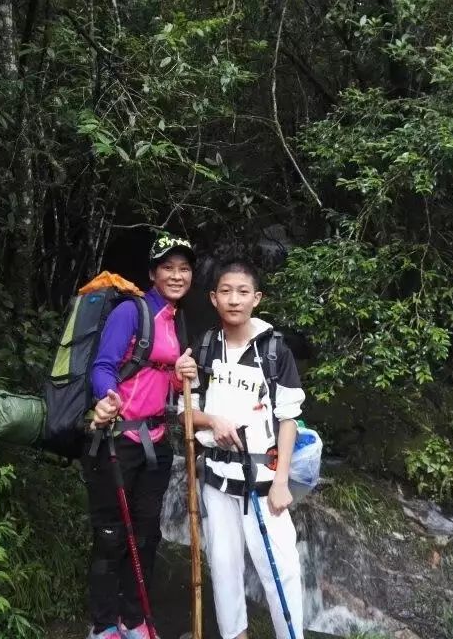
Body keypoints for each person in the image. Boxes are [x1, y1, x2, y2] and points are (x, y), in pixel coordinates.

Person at [180, 259, 305, 639]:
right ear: (213, 298)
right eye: (226, 291)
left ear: (256, 298)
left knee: (280, 568)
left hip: (263, 480)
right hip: (216, 478)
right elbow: (186, 412)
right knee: (223, 567)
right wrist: (212, 421)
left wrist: (281, 481)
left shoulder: (274, 350)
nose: (234, 299)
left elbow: (288, 419)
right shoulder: (203, 348)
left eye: (243, 292)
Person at [83, 234, 199, 639]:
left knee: (147, 535)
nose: (177, 275)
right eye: (168, 267)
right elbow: (104, 366)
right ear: (153, 273)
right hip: (116, 440)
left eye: (184, 268)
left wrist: (181, 376)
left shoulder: (176, 319)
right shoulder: (131, 311)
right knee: (111, 535)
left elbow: (163, 378)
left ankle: (133, 619)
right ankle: (103, 625)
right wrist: (106, 397)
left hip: (156, 443)